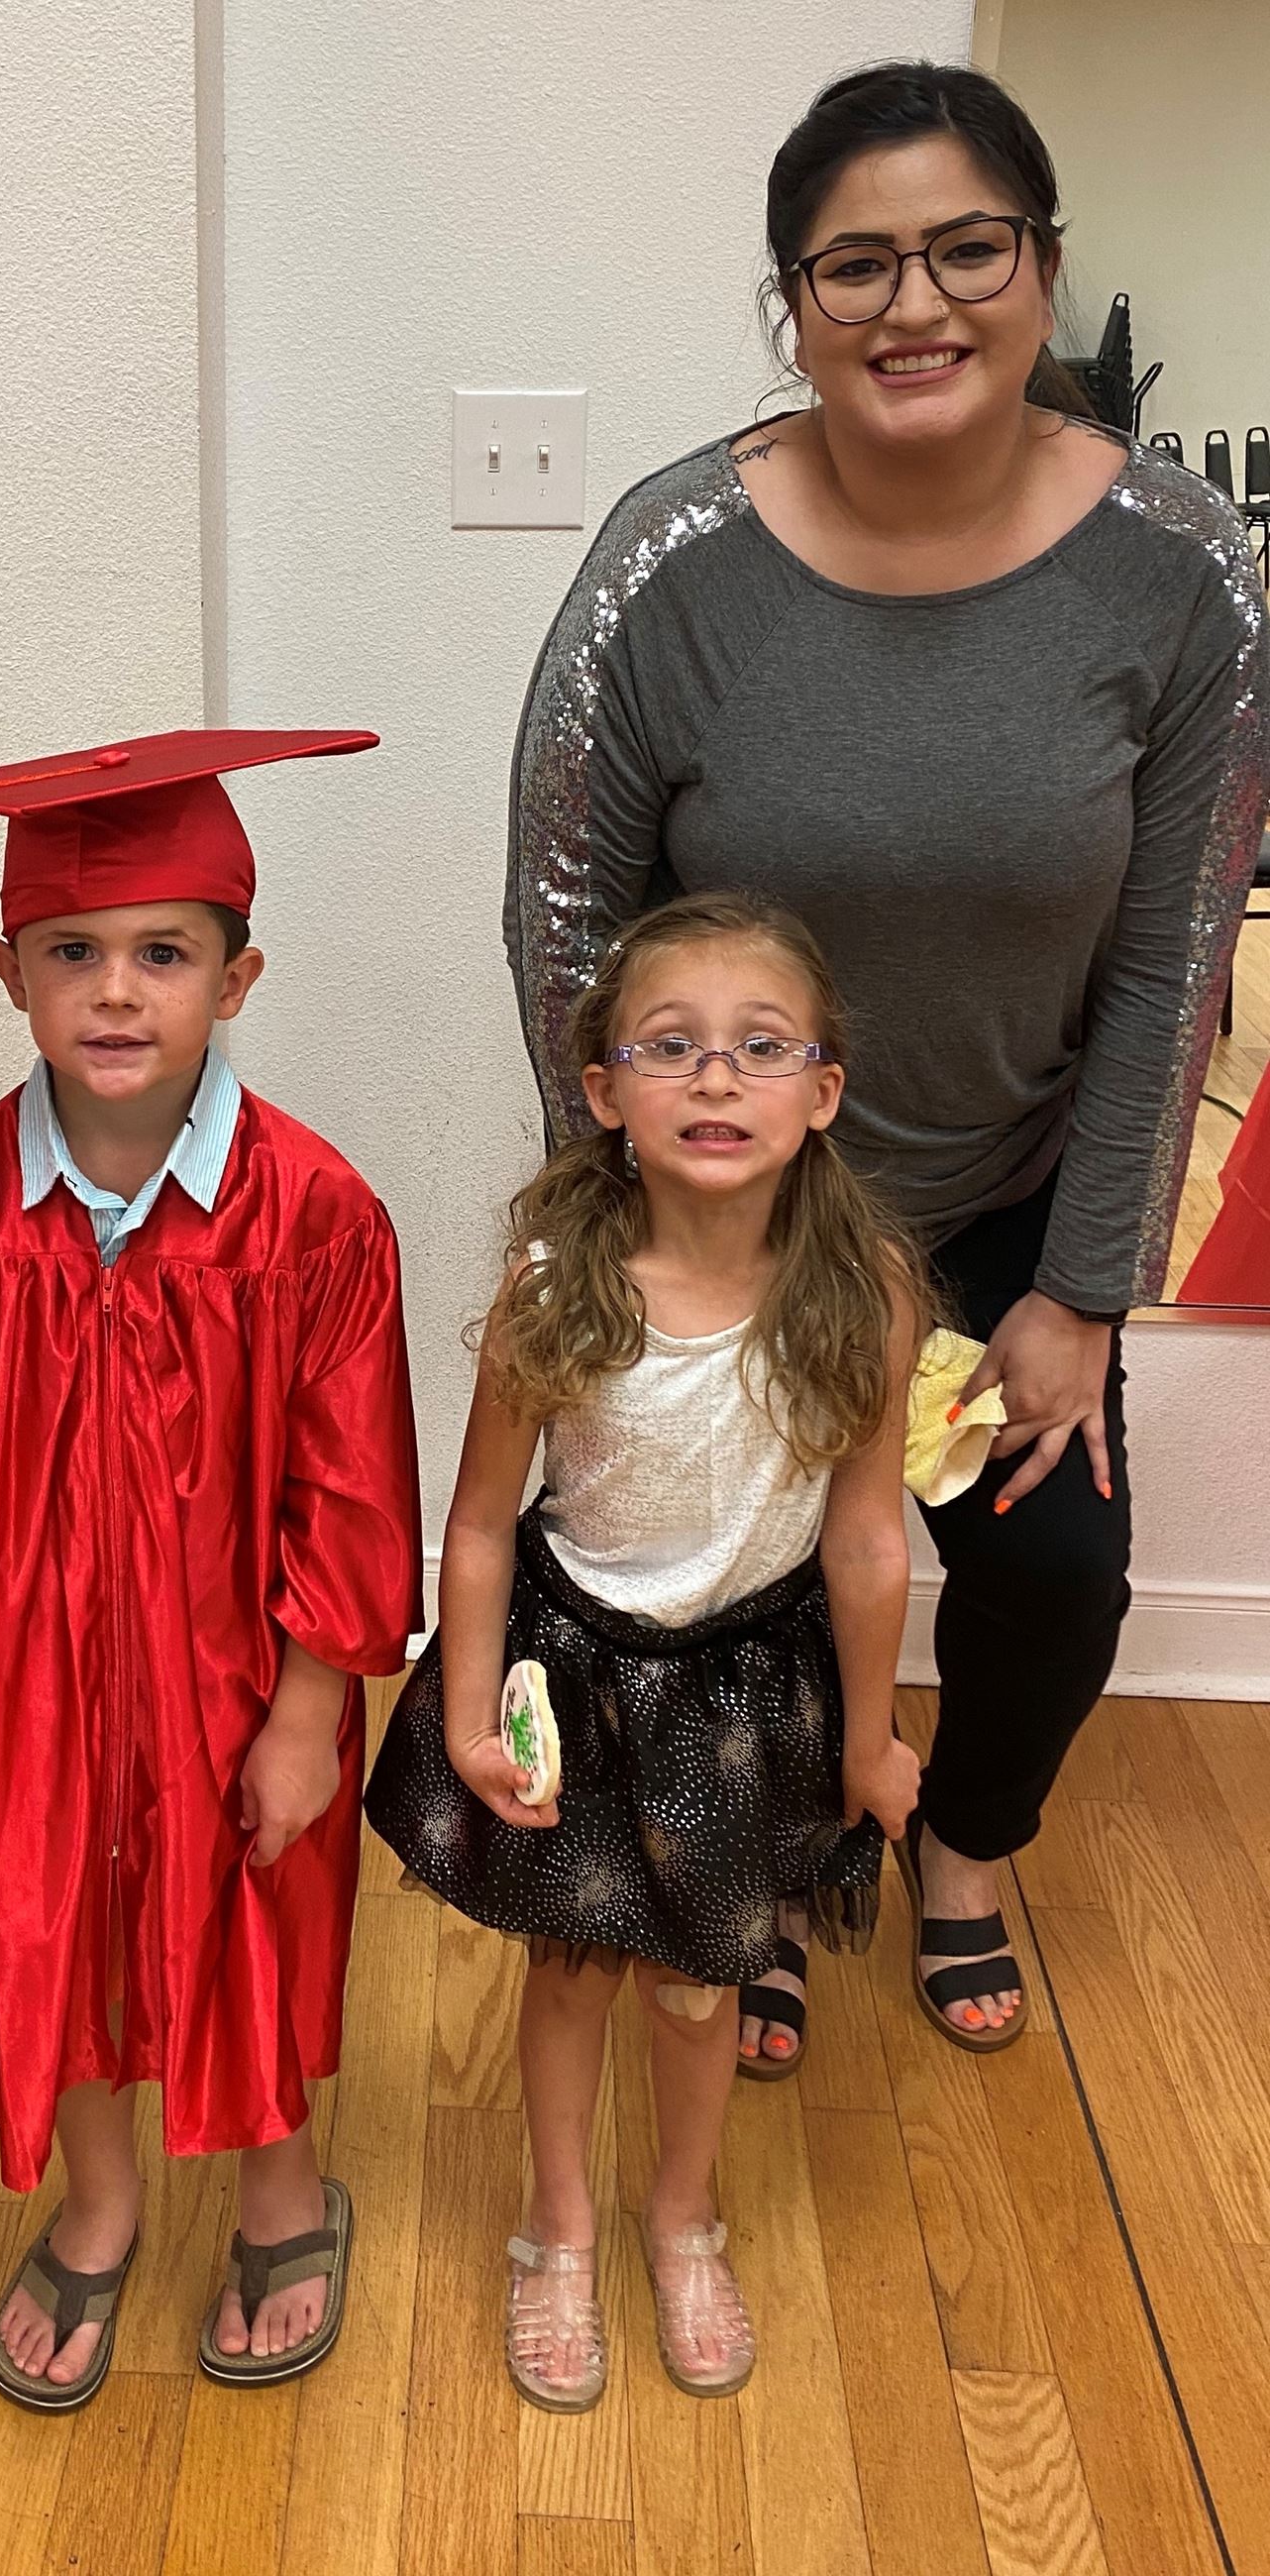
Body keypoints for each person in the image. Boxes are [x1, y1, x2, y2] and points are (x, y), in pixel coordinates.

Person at [507, 60, 1270, 2067]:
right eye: (855, 264)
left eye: (964, 248)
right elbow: (566, 924)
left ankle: (962, 1844)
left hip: (1017, 1196)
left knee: (1061, 1576)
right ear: (794, 298)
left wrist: (1084, 1293)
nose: (911, 302)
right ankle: (756, 1872)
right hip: (735, 1212)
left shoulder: (1186, 572)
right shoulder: (672, 561)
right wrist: (646, 1231)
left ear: (1039, 268)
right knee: (722, 1595)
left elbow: (1177, 953)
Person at [0, 729, 422, 2408]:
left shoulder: (315, 1214)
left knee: (252, 1921)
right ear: (7, 969)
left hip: (239, 1678)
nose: (117, 993)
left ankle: (278, 2189)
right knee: (46, 1920)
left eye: (163, 954)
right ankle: (99, 2204)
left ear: (237, 975)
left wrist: (315, 1707)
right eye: (74, 954)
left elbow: (354, 1490)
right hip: (21, 1678)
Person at [366, 893, 921, 2402]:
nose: (717, 1081)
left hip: (745, 1689)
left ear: (823, 1093)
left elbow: (869, 1541)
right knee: (572, 1971)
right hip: (579, 1673)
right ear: (607, 1095)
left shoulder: (861, 1292)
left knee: (701, 1983)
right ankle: (556, 2232)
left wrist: (872, 1740)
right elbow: (480, 1528)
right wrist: (473, 1716)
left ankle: (683, 2218)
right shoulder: (561, 1284)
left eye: (758, 1050)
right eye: (672, 1049)